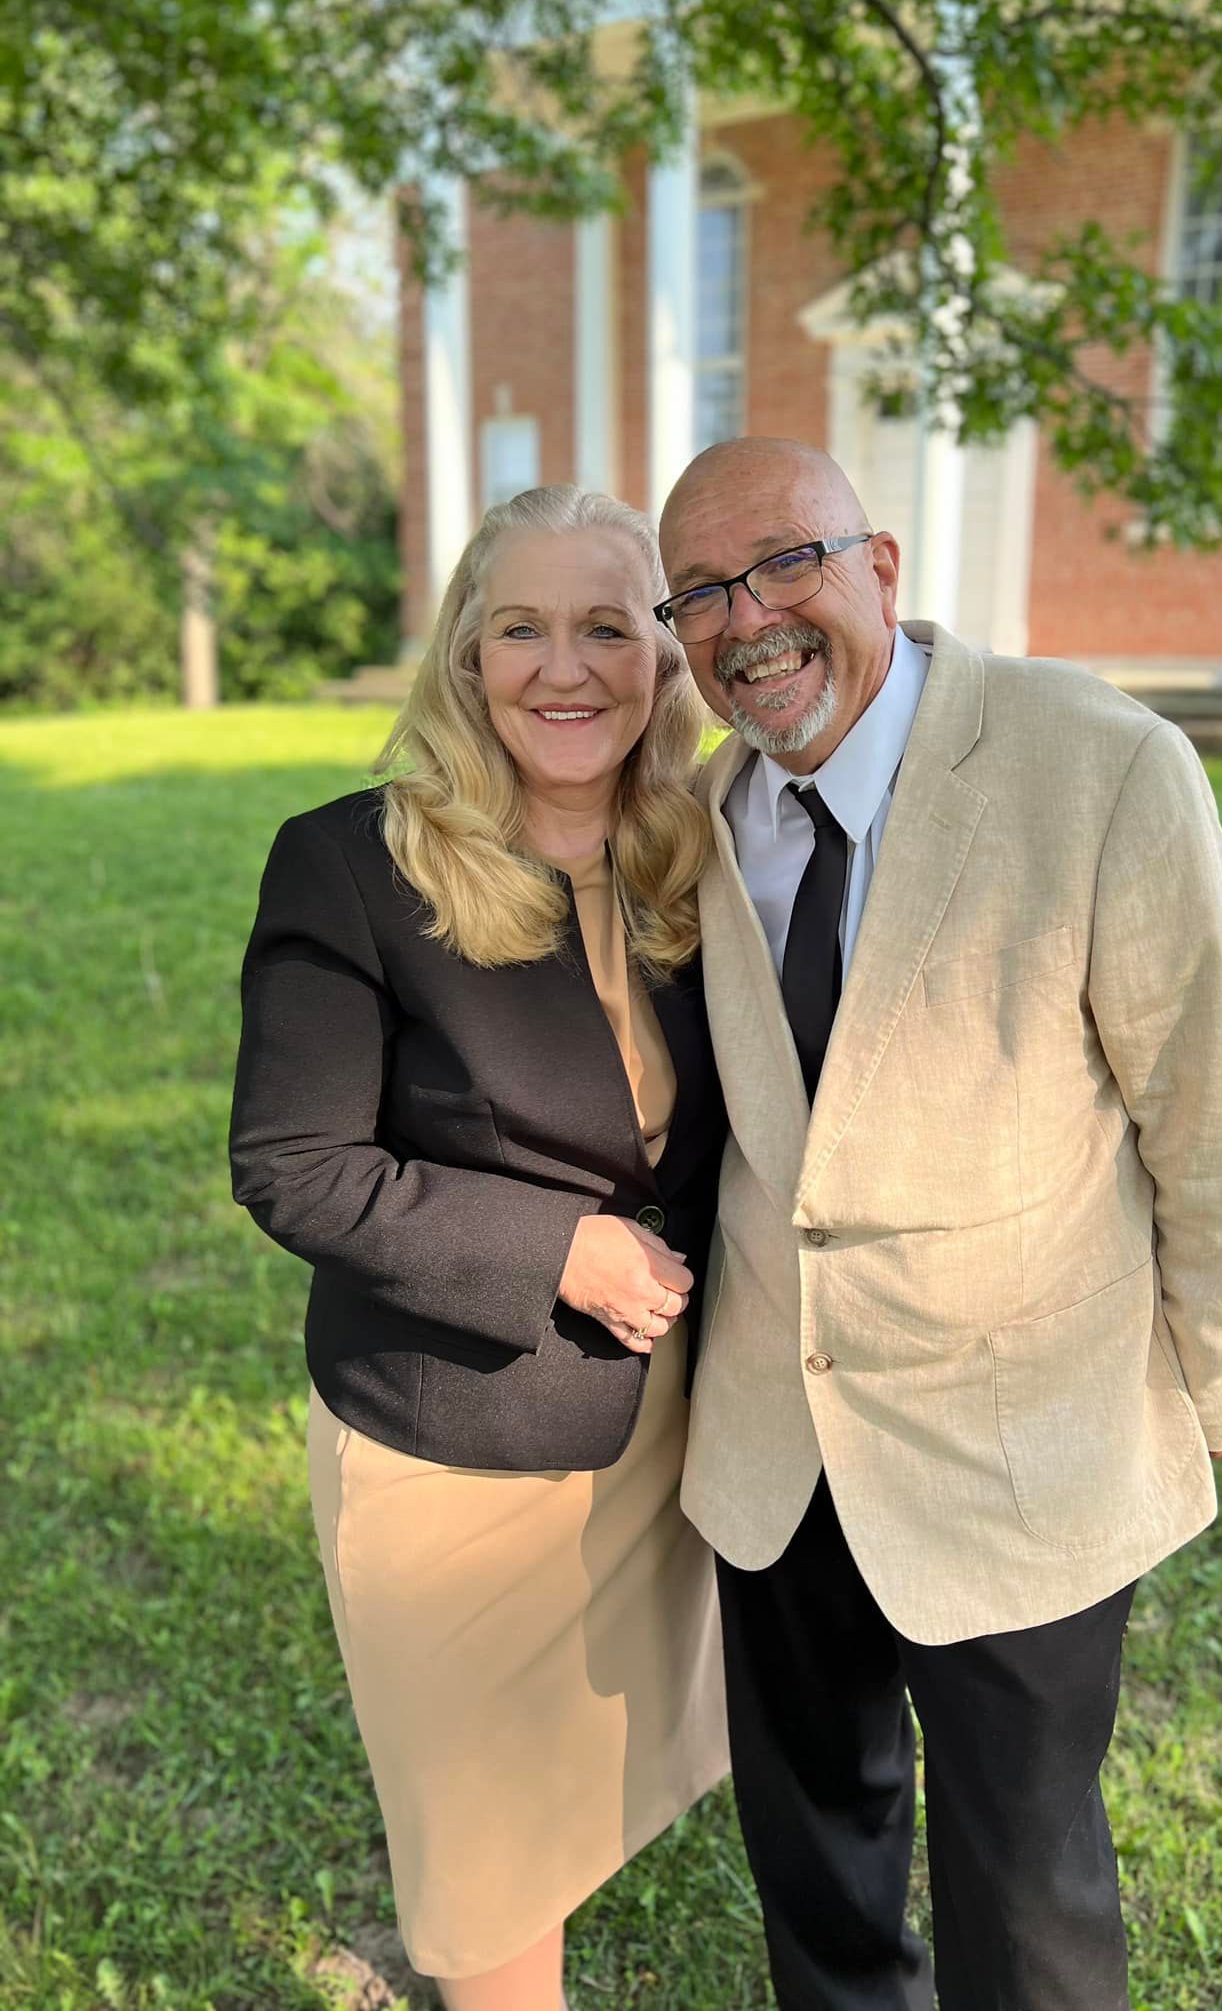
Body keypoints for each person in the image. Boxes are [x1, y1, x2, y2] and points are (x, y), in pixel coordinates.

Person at [655, 437, 1222, 2011]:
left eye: (784, 565)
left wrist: (1210, 1378)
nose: (746, 619)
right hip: (776, 1441)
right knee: (816, 1848)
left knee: (1028, 1891)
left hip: (1028, 1448)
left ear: (880, 566)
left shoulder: (1098, 763)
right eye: (699, 592)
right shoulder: (699, 813)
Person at [229, 485, 730, 2011]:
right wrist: (557, 1249)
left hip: (667, 1424)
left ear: (664, 655)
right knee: (485, 1863)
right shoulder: (353, 863)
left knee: (583, 1791)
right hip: (452, 1443)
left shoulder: (704, 849)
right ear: (465, 656)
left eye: (607, 626)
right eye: (522, 627)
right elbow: (295, 1167)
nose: (563, 669)